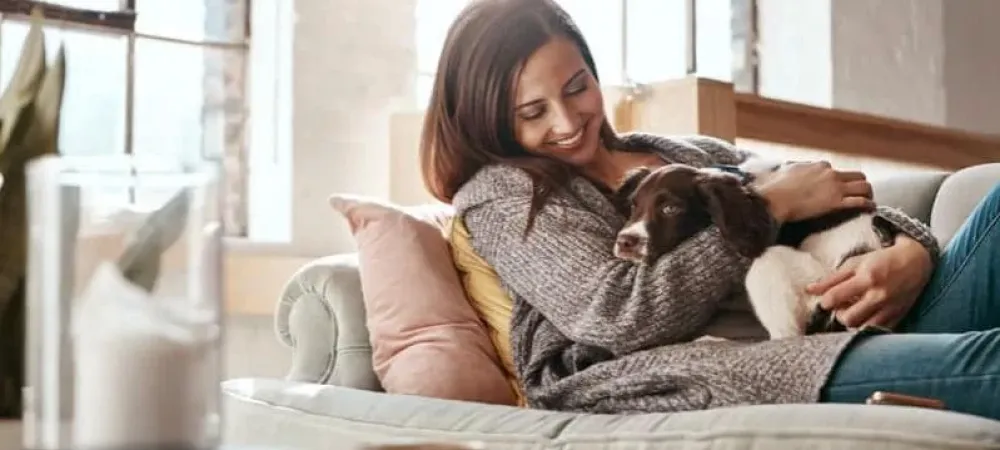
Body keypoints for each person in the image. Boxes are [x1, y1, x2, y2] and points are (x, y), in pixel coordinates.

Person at [419, 0, 1000, 419]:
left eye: (576, 87)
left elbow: (833, 195)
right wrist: (768, 205)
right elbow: (615, 317)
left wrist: (912, 253)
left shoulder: (688, 153)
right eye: (532, 112)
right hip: (758, 361)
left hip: (864, 310)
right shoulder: (503, 193)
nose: (567, 123)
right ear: (489, 118)